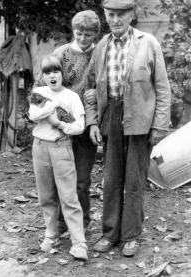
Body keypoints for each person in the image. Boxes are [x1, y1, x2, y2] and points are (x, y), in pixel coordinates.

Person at [85, 0, 171, 256]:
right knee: (111, 179)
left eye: (121, 14)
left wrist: (159, 125)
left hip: (140, 119)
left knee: (134, 180)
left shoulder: (148, 43)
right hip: (110, 116)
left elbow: (163, 87)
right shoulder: (101, 46)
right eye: (111, 15)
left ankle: (132, 236)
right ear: (106, 16)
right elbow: (90, 88)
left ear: (131, 15)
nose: (116, 19)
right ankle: (110, 233)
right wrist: (92, 121)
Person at [34, 10, 100, 234]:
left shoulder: (101, 54)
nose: (82, 38)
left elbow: (109, 83)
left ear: (95, 35)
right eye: (79, 33)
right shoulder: (61, 53)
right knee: (60, 176)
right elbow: (42, 86)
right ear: (73, 31)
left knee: (82, 177)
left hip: (86, 125)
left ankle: (83, 221)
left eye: (88, 35)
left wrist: (97, 92)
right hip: (60, 126)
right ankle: (61, 222)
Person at [28, 55, 88, 260]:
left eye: (56, 71)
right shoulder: (39, 92)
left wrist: (59, 123)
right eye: (47, 72)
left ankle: (79, 243)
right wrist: (52, 107)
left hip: (61, 147)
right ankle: (51, 234)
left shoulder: (72, 97)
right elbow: (33, 116)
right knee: (45, 195)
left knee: (68, 196)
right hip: (39, 147)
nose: (52, 76)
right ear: (43, 76)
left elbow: (79, 127)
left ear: (63, 74)